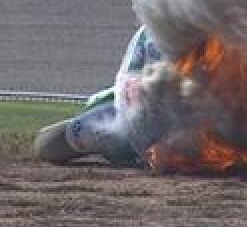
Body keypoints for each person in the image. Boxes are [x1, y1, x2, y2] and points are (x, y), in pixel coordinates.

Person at [33, 26, 163, 166]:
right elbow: (132, 84)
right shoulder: (152, 32)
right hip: (129, 117)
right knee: (51, 145)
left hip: (166, 119)